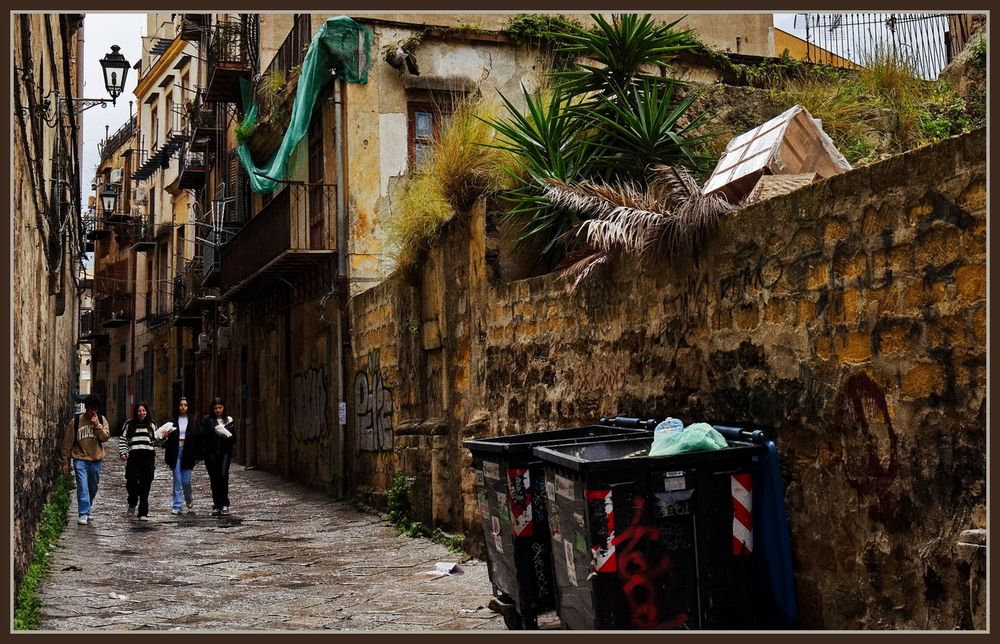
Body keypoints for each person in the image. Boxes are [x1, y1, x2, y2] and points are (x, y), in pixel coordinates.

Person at [59, 394, 111, 525]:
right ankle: (83, 513)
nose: (93, 412)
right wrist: (65, 460)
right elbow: (67, 442)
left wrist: (97, 425)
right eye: (91, 409)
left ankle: (87, 508)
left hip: (96, 459)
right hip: (80, 458)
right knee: (83, 486)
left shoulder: (101, 420)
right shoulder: (75, 422)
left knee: (93, 487)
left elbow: (105, 438)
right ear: (86, 408)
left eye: (95, 409)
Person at [118, 401, 161, 521]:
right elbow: (123, 439)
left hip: (148, 457)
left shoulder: (152, 424)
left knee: (145, 485)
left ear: (147, 412)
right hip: (133, 457)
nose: (141, 413)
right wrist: (123, 452)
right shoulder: (129, 424)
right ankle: (132, 501)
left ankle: (143, 512)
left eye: (143, 411)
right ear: (136, 412)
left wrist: (164, 437)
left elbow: (157, 442)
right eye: (139, 411)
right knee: (131, 481)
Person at [160, 397, 199, 515]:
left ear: (188, 407)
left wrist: (197, 454)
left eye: (185, 405)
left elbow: (196, 437)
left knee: (186, 481)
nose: (183, 407)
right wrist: (166, 435)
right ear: (178, 407)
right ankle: (177, 505)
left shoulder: (192, 421)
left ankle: (189, 498)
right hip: (175, 451)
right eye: (181, 405)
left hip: (187, 452)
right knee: (177, 479)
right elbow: (164, 439)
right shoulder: (172, 421)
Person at [200, 397, 236, 516]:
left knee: (223, 475)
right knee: (214, 478)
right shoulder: (208, 420)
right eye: (215, 408)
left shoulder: (229, 420)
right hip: (211, 453)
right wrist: (213, 431)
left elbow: (234, 438)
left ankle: (225, 503)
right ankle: (217, 504)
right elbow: (202, 435)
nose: (218, 410)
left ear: (223, 408)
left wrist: (228, 436)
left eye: (220, 408)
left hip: (225, 452)